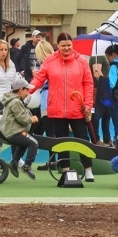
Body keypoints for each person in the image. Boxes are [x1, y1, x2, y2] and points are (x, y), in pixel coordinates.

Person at [29, 32, 95, 181]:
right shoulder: (50, 61)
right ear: (57, 46)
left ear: (72, 44)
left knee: (82, 140)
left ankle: (88, 169)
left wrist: (88, 104)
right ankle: (65, 169)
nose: (66, 48)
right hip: (57, 109)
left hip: (77, 107)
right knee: (62, 140)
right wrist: (25, 90)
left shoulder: (82, 61)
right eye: (63, 45)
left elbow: (88, 84)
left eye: (69, 45)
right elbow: (39, 79)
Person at [0, 76, 39, 179]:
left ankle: (14, 161)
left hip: (12, 131)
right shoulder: (15, 102)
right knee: (34, 144)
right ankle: (27, 166)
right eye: (27, 90)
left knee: (24, 143)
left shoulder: (13, 100)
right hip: (14, 132)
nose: (28, 93)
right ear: (21, 90)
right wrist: (32, 119)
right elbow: (22, 118)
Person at [90, 59, 113, 145]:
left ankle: (107, 138)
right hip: (99, 90)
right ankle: (96, 139)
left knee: (107, 114)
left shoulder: (103, 55)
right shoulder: (98, 55)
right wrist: (105, 83)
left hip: (104, 90)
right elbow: (96, 73)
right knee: (96, 115)